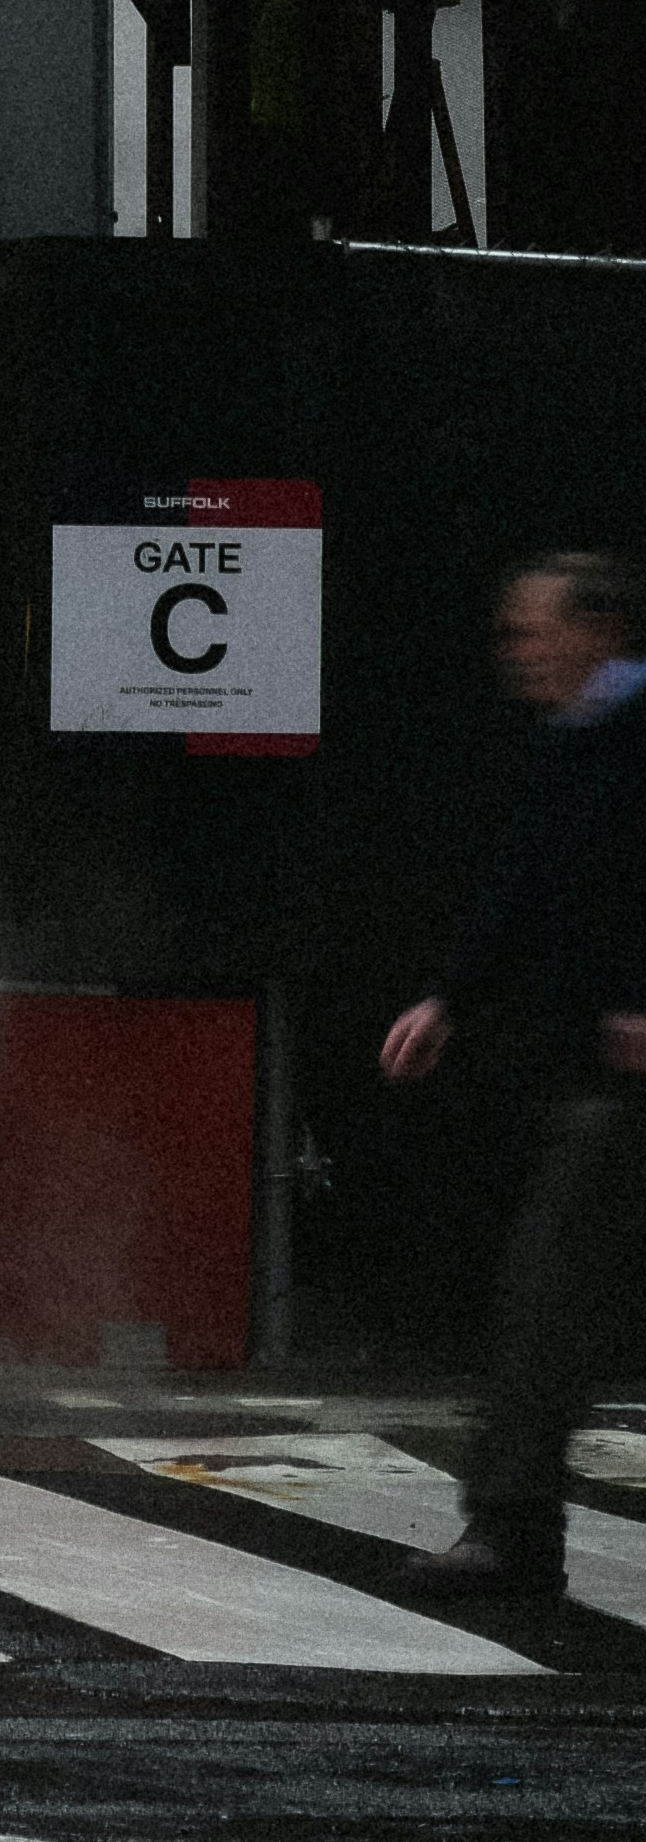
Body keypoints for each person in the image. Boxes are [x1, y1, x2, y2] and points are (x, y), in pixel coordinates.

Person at [381, 547, 646, 1601]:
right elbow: (529, 886)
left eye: (534, 630)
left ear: (598, 632)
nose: (517, 650)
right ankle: (513, 1524)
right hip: (604, 1075)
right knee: (549, 1284)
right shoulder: (574, 743)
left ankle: (514, 1526)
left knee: (554, 1285)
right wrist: (451, 998)